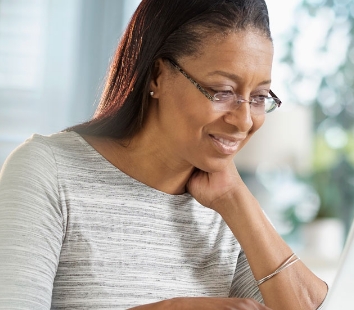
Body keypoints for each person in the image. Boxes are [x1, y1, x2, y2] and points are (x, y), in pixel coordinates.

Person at [0, 0, 328, 309]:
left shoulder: (225, 210)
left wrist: (235, 199)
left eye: (258, 96)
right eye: (223, 91)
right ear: (158, 76)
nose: (243, 121)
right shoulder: (47, 172)